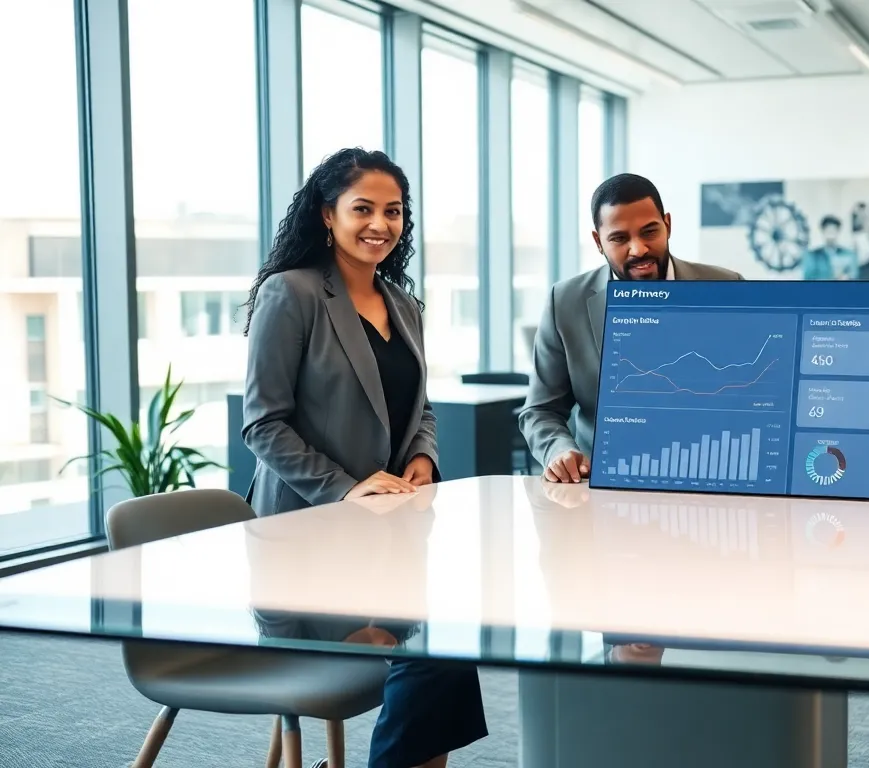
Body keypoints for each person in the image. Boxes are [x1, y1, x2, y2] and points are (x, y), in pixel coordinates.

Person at [240, 147, 486, 768]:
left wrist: (422, 460)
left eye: (394, 211)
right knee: (430, 660)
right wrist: (347, 488)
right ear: (328, 215)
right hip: (306, 545)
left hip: (385, 543)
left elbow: (419, 411)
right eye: (363, 209)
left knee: (445, 651)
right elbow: (263, 425)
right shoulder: (290, 294)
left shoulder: (405, 306)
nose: (380, 223)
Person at [519, 172, 743, 483]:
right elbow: (540, 410)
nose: (638, 249)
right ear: (599, 242)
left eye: (649, 232)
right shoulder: (565, 302)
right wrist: (558, 450)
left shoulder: (728, 288)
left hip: (713, 476)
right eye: (620, 238)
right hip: (606, 486)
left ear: (667, 225)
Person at [800, 215, 859, 280]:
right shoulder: (813, 256)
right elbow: (808, 278)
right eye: (828, 231)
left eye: (833, 231)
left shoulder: (848, 255)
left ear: (838, 232)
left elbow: (854, 276)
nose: (831, 235)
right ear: (823, 232)